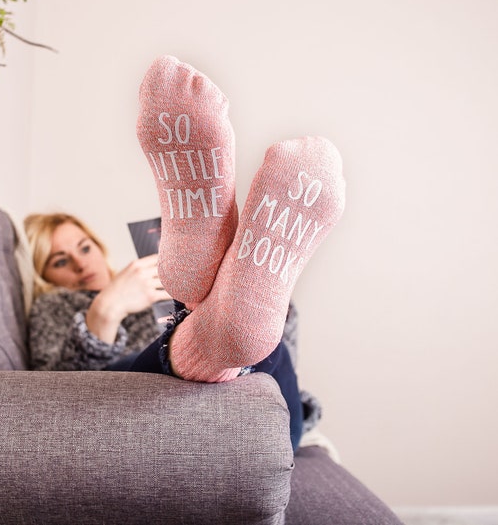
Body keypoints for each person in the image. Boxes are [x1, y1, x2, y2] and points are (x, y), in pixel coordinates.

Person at [25, 55, 345, 451]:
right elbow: (50, 396)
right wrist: (103, 312)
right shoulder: (53, 308)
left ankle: (216, 301)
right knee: (234, 322)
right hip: (138, 409)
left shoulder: (144, 272)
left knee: (244, 319)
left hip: (255, 403)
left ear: (99, 245)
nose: (79, 262)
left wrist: (228, 288)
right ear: (44, 274)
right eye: (59, 260)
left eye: (84, 246)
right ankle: (218, 324)